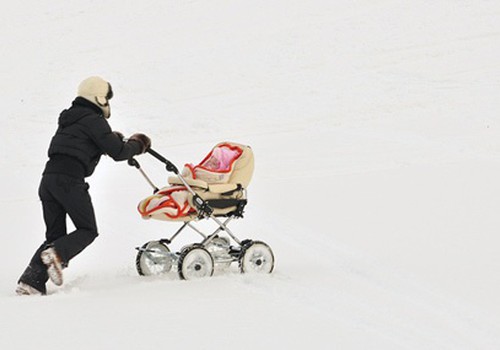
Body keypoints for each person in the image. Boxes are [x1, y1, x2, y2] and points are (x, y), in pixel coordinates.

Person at [16, 76, 151, 295]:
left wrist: (108, 140)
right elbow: (118, 152)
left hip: (48, 180)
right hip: (69, 181)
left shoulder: (70, 119)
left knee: (55, 237)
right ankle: (57, 254)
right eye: (107, 98)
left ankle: (31, 282)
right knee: (87, 230)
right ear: (99, 98)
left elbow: (82, 142)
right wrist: (139, 144)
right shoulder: (94, 120)